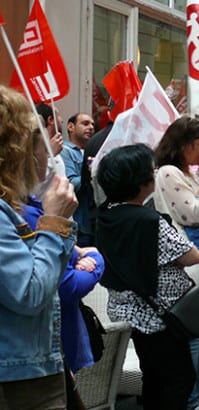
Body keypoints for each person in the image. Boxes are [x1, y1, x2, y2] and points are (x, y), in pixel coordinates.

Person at [96, 144, 199, 410]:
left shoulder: (106, 214)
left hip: (128, 311)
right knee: (178, 380)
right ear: (139, 181)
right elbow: (192, 256)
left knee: (153, 379)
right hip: (158, 315)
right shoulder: (148, 220)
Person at [0, 85, 78, 410]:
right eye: (38, 141)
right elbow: (30, 294)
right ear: (17, 149)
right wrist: (54, 221)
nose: (45, 153)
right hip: (17, 377)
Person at [23, 129, 105, 407]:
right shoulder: (22, 214)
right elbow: (51, 288)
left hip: (48, 350)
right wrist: (95, 264)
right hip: (34, 356)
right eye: (42, 150)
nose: (48, 159)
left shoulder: (27, 205)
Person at [152, 117, 199, 410]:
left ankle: (198, 393)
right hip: (190, 261)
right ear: (183, 145)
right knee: (195, 334)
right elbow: (196, 215)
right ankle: (191, 398)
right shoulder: (169, 173)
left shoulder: (186, 172)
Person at [61, 113, 96, 245]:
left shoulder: (91, 151)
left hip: (92, 221)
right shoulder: (65, 151)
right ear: (71, 127)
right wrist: (91, 173)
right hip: (78, 223)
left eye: (93, 124)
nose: (91, 127)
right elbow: (71, 184)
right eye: (85, 123)